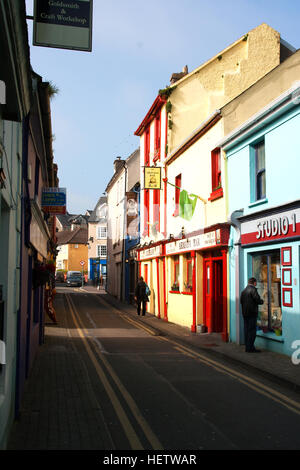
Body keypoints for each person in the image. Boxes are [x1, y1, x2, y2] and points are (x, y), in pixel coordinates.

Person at [240, 277, 264, 353]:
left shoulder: (243, 291)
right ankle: (250, 348)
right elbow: (257, 299)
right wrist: (262, 301)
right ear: (254, 282)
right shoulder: (253, 290)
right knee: (252, 331)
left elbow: (241, 301)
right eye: (256, 282)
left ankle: (247, 347)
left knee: (246, 330)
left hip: (245, 313)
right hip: (252, 313)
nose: (256, 284)